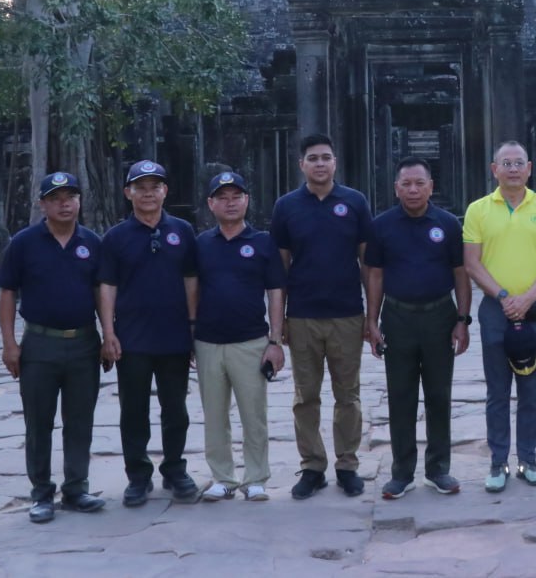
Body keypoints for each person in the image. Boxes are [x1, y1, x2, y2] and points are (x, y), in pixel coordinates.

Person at [0, 172, 105, 524]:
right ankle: (41, 493)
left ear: (79, 201)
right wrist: (10, 344)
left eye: (70, 197)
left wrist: (109, 335)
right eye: (55, 198)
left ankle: (76, 488)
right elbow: (7, 293)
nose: (64, 204)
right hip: (40, 344)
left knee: (80, 421)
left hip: (84, 343)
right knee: (39, 422)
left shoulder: (92, 242)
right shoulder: (24, 243)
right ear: (42, 204)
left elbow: (101, 292)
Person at [272, 133, 373, 500]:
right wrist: (279, 324)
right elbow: (280, 269)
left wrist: (372, 317)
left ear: (335, 163)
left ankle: (347, 465)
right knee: (305, 396)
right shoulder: (287, 206)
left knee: (348, 395)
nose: (319, 164)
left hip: (346, 314)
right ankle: (312, 466)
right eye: (312, 158)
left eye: (325, 157)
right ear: (301, 164)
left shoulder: (354, 202)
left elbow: (368, 264)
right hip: (303, 316)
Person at [364, 157, 472, 500]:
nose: (413, 190)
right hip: (398, 317)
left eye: (419, 183)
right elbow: (375, 275)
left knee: (439, 394)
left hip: (440, 315)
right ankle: (402, 472)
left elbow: (461, 274)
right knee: (401, 395)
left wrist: (462, 320)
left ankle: (438, 469)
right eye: (406, 184)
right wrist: (372, 321)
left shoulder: (448, 224)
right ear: (396, 188)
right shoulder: (381, 226)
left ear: (431, 187)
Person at [463, 140, 536, 492]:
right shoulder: (478, 210)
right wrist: (505, 297)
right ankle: (498, 461)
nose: (513, 169)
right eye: (506, 163)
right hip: (496, 307)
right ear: (495, 169)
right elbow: (472, 262)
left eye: (519, 162)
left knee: (531, 387)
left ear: (529, 168)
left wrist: (529, 296)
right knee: (497, 389)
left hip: (535, 307)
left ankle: (529, 459)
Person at [99, 160, 200, 507]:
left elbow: (191, 280)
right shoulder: (115, 238)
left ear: (165, 191)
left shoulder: (183, 231)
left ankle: (175, 469)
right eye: (140, 188)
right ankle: (138, 475)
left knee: (176, 409)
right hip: (132, 338)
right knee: (133, 410)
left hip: (174, 336)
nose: (148, 194)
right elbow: (107, 286)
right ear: (128, 193)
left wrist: (193, 326)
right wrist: (108, 332)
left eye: (154, 187)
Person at [192, 171, 286, 503]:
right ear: (210, 204)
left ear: (247, 200)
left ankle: (256, 477)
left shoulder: (262, 242)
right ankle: (223, 477)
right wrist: (191, 332)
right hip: (208, 342)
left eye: (236, 196)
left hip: (251, 341)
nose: (230, 203)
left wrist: (275, 341)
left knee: (253, 414)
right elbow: (192, 289)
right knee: (214, 414)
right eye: (222, 197)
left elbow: (276, 291)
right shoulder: (201, 244)